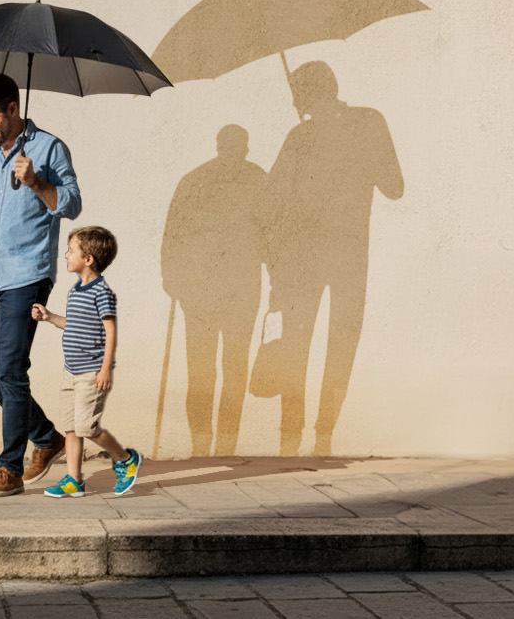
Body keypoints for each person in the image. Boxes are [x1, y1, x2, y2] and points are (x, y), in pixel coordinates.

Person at [0, 73, 83, 498]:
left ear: (12, 109)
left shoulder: (50, 148)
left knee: (10, 367)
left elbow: (73, 205)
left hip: (29, 275)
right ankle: (46, 436)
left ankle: (10, 468)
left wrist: (38, 182)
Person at [259, 61, 404, 457]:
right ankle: (324, 438)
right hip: (350, 255)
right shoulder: (369, 122)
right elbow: (395, 186)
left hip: (303, 259)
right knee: (342, 343)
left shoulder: (300, 135)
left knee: (296, 344)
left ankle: (290, 438)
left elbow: (270, 201)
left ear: (303, 96)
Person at [161, 125, 267, 457]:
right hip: (209, 290)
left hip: (225, 290)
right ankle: (208, 444)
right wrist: (173, 278)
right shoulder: (203, 181)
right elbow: (173, 234)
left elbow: (272, 236)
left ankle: (217, 444)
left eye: (238, 148)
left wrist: (174, 281)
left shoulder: (254, 181)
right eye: (233, 147)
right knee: (214, 368)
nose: (235, 154)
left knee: (221, 368)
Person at [31, 227, 142, 498]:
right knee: (70, 427)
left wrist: (105, 368)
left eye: (71, 251)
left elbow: (111, 332)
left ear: (88, 259)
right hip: (71, 372)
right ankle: (74, 480)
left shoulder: (102, 293)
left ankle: (126, 458)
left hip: (92, 373)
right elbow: (74, 326)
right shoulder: (75, 291)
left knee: (86, 427)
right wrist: (50, 317)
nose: (66, 255)